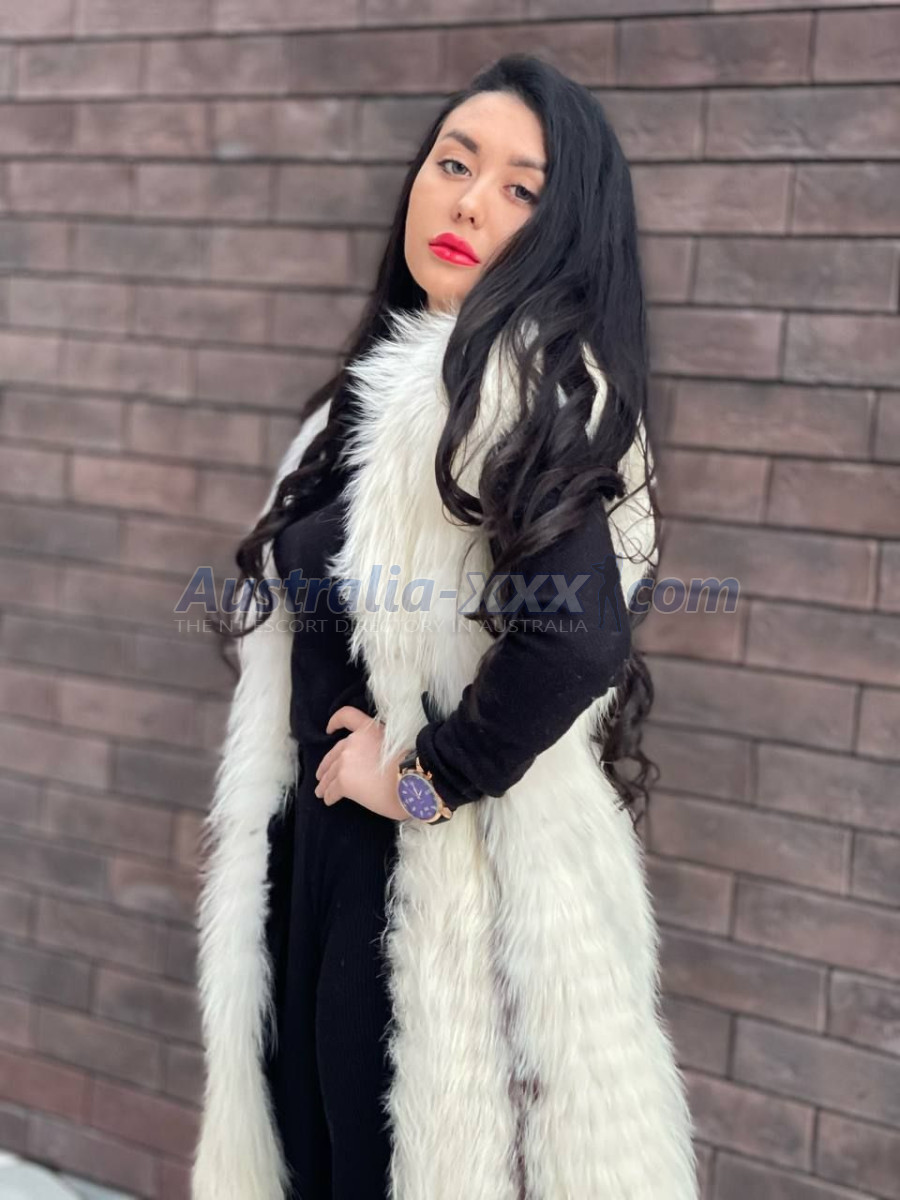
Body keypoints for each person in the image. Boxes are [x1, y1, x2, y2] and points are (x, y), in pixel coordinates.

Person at [192, 53, 699, 1200]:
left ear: (565, 234)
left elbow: (577, 639)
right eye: (455, 164)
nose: (470, 203)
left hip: (433, 896)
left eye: (521, 188)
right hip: (324, 867)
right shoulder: (368, 404)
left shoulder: (520, 393)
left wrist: (422, 782)